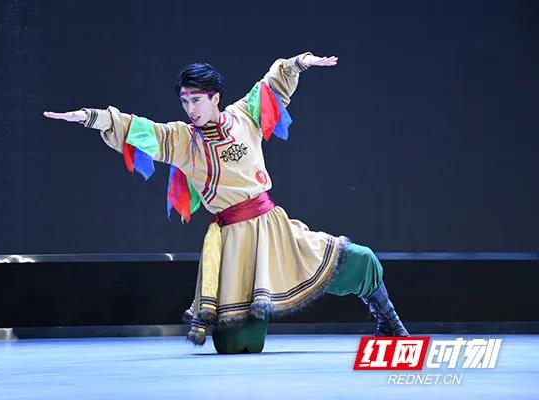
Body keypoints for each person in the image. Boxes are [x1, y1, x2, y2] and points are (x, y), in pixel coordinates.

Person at [44, 52, 409, 353]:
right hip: (235, 245)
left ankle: (390, 324)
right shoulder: (184, 141)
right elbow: (138, 128)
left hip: (274, 229)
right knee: (238, 344)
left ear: (215, 97)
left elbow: (272, 84)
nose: (190, 108)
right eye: (185, 101)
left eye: (196, 100)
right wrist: (92, 118)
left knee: (360, 259)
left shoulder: (244, 115)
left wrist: (298, 64)